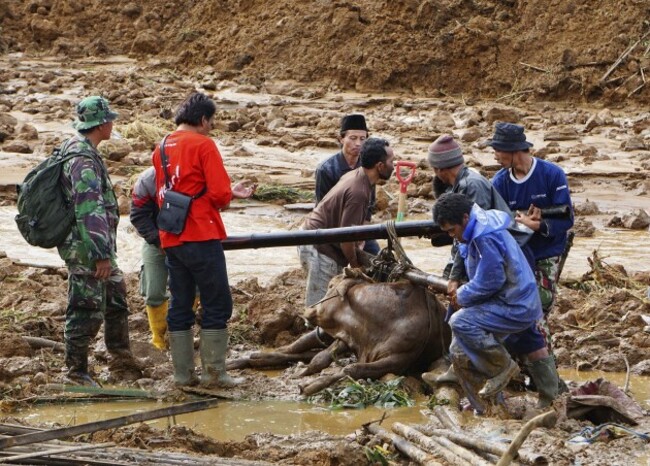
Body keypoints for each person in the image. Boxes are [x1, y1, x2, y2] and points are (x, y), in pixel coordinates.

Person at [152, 92, 255, 388]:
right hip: (201, 232)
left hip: (172, 235)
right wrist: (228, 194)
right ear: (202, 120)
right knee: (216, 302)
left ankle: (183, 374)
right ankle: (214, 373)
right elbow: (220, 195)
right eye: (211, 122)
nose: (211, 127)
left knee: (180, 302)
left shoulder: (160, 147)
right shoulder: (204, 144)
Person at [59, 96, 143, 386]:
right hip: (86, 248)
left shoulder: (84, 150)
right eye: (110, 119)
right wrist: (100, 255)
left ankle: (121, 359)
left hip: (96, 245)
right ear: (100, 124)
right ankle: (75, 372)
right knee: (85, 306)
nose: (112, 124)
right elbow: (88, 208)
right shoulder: (82, 159)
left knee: (117, 296)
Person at [432, 193, 543, 412]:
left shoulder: (485, 236)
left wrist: (461, 296)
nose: (452, 236)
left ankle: (503, 367)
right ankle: (486, 408)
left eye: (452, 231)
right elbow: (464, 257)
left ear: (464, 218)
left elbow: (491, 279)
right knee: (458, 350)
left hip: (515, 305)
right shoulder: (472, 228)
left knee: (460, 322)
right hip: (500, 301)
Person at [488, 123, 573, 376]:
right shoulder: (500, 181)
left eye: (497, 150)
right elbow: (498, 220)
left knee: (537, 307)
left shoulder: (551, 174)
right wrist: (517, 223)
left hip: (547, 251)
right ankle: (530, 368)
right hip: (516, 254)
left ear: (514, 151)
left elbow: (567, 219)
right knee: (519, 309)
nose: (494, 156)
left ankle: (546, 373)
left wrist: (538, 226)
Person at [300, 137, 395, 308]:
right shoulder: (359, 192)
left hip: (317, 239)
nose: (394, 166)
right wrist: (356, 265)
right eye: (391, 161)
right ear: (380, 166)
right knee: (320, 307)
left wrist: (359, 243)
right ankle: (312, 331)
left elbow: (353, 228)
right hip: (320, 248)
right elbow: (345, 238)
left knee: (331, 304)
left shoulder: (359, 176)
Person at [314, 114, 380, 255]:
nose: (358, 144)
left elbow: (369, 205)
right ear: (341, 139)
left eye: (363, 139)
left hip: (358, 227)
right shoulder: (326, 169)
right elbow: (323, 208)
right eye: (353, 138)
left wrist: (362, 234)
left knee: (378, 258)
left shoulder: (368, 166)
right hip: (331, 229)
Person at [130, 166, 169, 351]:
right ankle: (158, 339)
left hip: (190, 240)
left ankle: (182, 333)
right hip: (156, 240)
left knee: (194, 288)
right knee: (153, 291)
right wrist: (157, 240)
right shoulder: (147, 179)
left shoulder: (195, 172)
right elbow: (138, 216)